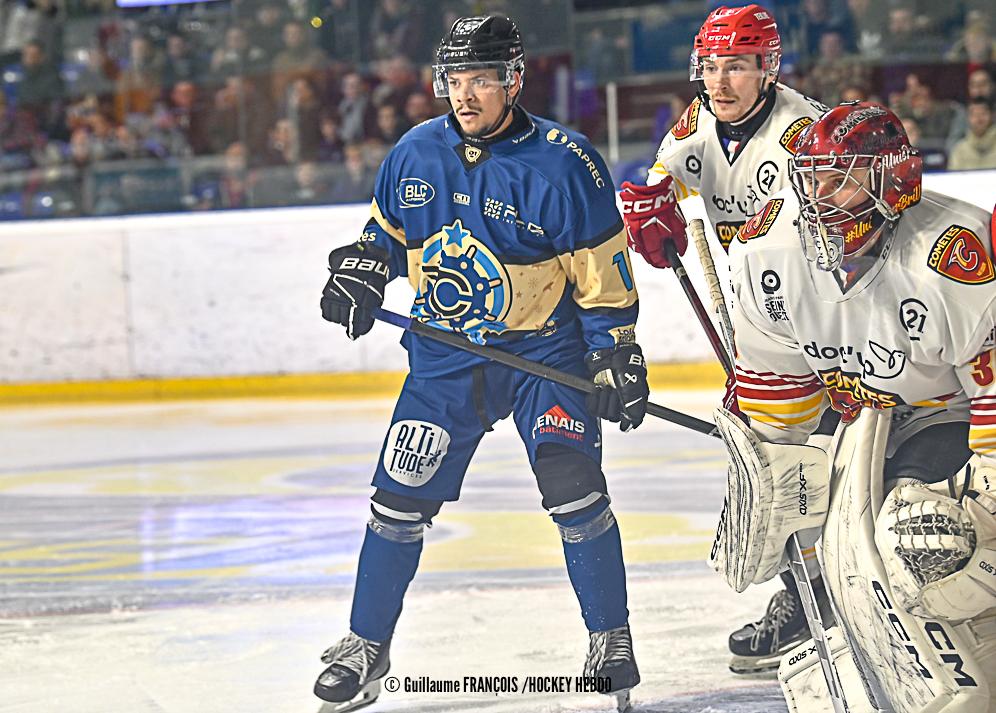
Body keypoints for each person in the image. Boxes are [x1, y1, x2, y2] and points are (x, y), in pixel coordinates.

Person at [315, 15, 648, 712]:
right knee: (397, 500)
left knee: (574, 485)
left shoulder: (566, 162)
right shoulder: (414, 151)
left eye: (481, 80)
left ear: (514, 80)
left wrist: (614, 352)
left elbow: (602, 278)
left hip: (541, 356)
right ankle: (365, 644)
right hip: (444, 356)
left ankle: (610, 637)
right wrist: (363, 270)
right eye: (454, 80)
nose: (464, 96)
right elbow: (385, 234)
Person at [719, 100, 996, 711]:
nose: (818, 198)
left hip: (944, 415)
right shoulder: (769, 250)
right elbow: (777, 394)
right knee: (799, 515)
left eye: (839, 180)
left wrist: (987, 499)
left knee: (923, 537)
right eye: (811, 178)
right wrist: (772, 479)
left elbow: (990, 391)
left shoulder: (950, 253)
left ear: (892, 181)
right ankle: (818, 611)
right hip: (853, 420)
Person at [619, 4, 830, 674]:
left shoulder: (804, 133)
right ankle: (809, 598)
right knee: (774, 473)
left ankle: (845, 591)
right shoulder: (699, 121)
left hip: (829, 325)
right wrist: (650, 209)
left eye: (736, 65)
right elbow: (659, 178)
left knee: (828, 466)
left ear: (768, 68)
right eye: (709, 66)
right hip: (760, 328)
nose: (719, 81)